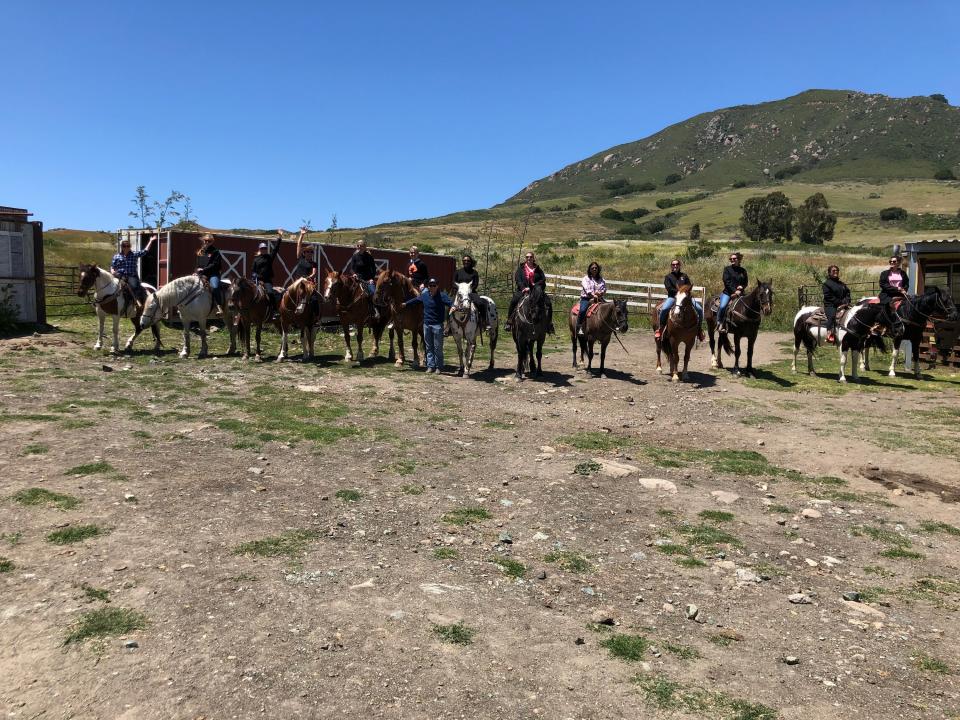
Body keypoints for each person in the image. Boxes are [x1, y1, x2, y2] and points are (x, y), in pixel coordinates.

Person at [404, 277, 453, 374]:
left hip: (437, 325)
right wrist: (405, 304)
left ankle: (439, 367)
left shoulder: (442, 296)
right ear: (428, 286)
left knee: (438, 347)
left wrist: (454, 307)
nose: (432, 287)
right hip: (426, 325)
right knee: (429, 347)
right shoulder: (425, 295)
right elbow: (415, 300)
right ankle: (430, 366)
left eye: (434, 285)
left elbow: (451, 303)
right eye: (430, 285)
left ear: (437, 286)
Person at [505, 251, 554, 333]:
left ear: (533, 258)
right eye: (527, 257)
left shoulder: (538, 269)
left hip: (536, 291)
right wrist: (523, 288)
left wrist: (535, 286)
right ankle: (509, 322)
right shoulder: (521, 269)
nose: (529, 258)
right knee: (514, 301)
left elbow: (543, 280)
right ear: (525, 258)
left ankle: (548, 324)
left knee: (548, 303)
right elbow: (518, 280)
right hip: (523, 290)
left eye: (531, 257)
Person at [657, 258, 704, 342]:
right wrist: (680, 292)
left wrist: (684, 293)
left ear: (679, 266)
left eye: (677, 264)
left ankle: (699, 330)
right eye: (673, 265)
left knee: (700, 309)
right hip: (673, 297)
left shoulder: (684, 276)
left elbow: (689, 286)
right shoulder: (668, 277)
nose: (675, 266)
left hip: (685, 298)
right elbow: (669, 288)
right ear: (671, 266)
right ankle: (661, 328)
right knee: (664, 309)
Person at [447, 253, 488, 333]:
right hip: (459, 293)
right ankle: (448, 325)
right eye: (464, 260)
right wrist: (460, 290)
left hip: (471, 292)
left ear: (470, 262)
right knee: (450, 305)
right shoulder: (458, 272)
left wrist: (468, 290)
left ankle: (484, 322)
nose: (466, 262)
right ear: (462, 262)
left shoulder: (474, 273)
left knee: (480, 303)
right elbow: (453, 283)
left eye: (468, 261)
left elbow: (475, 284)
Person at [111, 233, 157, 305]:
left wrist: (150, 241)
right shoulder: (116, 256)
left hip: (131, 276)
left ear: (130, 247)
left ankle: (137, 301)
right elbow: (113, 266)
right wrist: (112, 271)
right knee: (111, 286)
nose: (126, 247)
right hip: (119, 275)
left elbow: (145, 251)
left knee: (135, 286)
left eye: (128, 246)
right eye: (124, 246)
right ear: (121, 247)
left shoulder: (134, 254)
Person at [251, 229, 283, 316]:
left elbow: (276, 249)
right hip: (257, 280)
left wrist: (279, 237)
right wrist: (255, 276)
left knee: (270, 293)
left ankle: (275, 310)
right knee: (249, 292)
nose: (264, 249)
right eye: (262, 248)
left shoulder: (269, 257)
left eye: (265, 248)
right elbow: (253, 270)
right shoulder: (256, 259)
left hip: (267, 281)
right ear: (259, 249)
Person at [348, 238, 380, 322]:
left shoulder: (369, 257)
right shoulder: (355, 256)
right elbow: (351, 268)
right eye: (358, 245)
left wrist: (371, 279)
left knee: (373, 292)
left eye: (361, 246)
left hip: (367, 279)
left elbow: (373, 269)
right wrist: (354, 274)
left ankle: (375, 310)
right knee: (348, 290)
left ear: (365, 247)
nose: (359, 247)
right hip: (357, 279)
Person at [717, 252, 748, 331]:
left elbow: (745, 282)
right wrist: (734, 291)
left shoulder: (743, 271)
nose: (732, 260)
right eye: (731, 259)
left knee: (748, 305)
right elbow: (726, 282)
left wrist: (742, 287)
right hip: (728, 293)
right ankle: (719, 322)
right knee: (723, 306)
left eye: (734, 258)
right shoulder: (727, 269)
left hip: (740, 293)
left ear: (739, 259)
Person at [822, 264, 851, 344]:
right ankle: (829, 334)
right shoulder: (826, 284)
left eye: (837, 270)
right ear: (829, 273)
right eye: (833, 271)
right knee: (832, 316)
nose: (836, 272)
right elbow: (829, 297)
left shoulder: (841, 284)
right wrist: (841, 303)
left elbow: (847, 292)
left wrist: (847, 301)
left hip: (844, 304)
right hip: (831, 305)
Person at [195, 233, 224, 311]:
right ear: (203, 241)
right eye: (205, 240)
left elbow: (215, 264)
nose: (207, 242)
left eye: (209, 241)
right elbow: (198, 265)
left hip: (213, 274)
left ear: (212, 242)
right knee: (191, 285)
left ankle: (219, 306)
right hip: (202, 274)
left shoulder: (215, 251)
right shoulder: (200, 252)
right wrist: (196, 272)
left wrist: (203, 269)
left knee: (214, 287)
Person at [576, 262, 606, 336]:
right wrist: (593, 295)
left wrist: (601, 293)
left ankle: (613, 326)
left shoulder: (601, 279)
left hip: (599, 299)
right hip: (586, 299)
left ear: (598, 269)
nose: (594, 269)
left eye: (596, 268)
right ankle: (579, 327)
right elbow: (587, 289)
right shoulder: (586, 279)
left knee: (610, 308)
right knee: (583, 310)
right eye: (593, 268)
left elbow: (604, 288)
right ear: (589, 269)